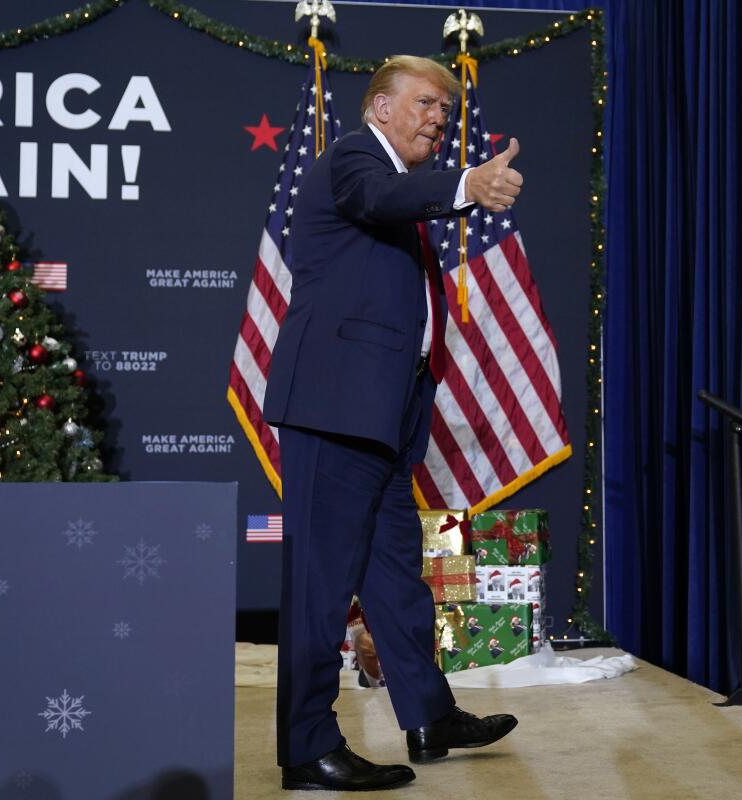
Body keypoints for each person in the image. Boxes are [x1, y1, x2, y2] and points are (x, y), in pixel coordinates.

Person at [263, 54, 524, 792]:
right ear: (380, 107)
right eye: (425, 104)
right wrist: (468, 186)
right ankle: (306, 749)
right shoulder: (352, 158)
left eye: (445, 109)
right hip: (333, 407)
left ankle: (427, 714)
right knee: (320, 589)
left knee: (395, 578)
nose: (438, 119)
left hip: (385, 414)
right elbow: (378, 198)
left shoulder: (399, 187)